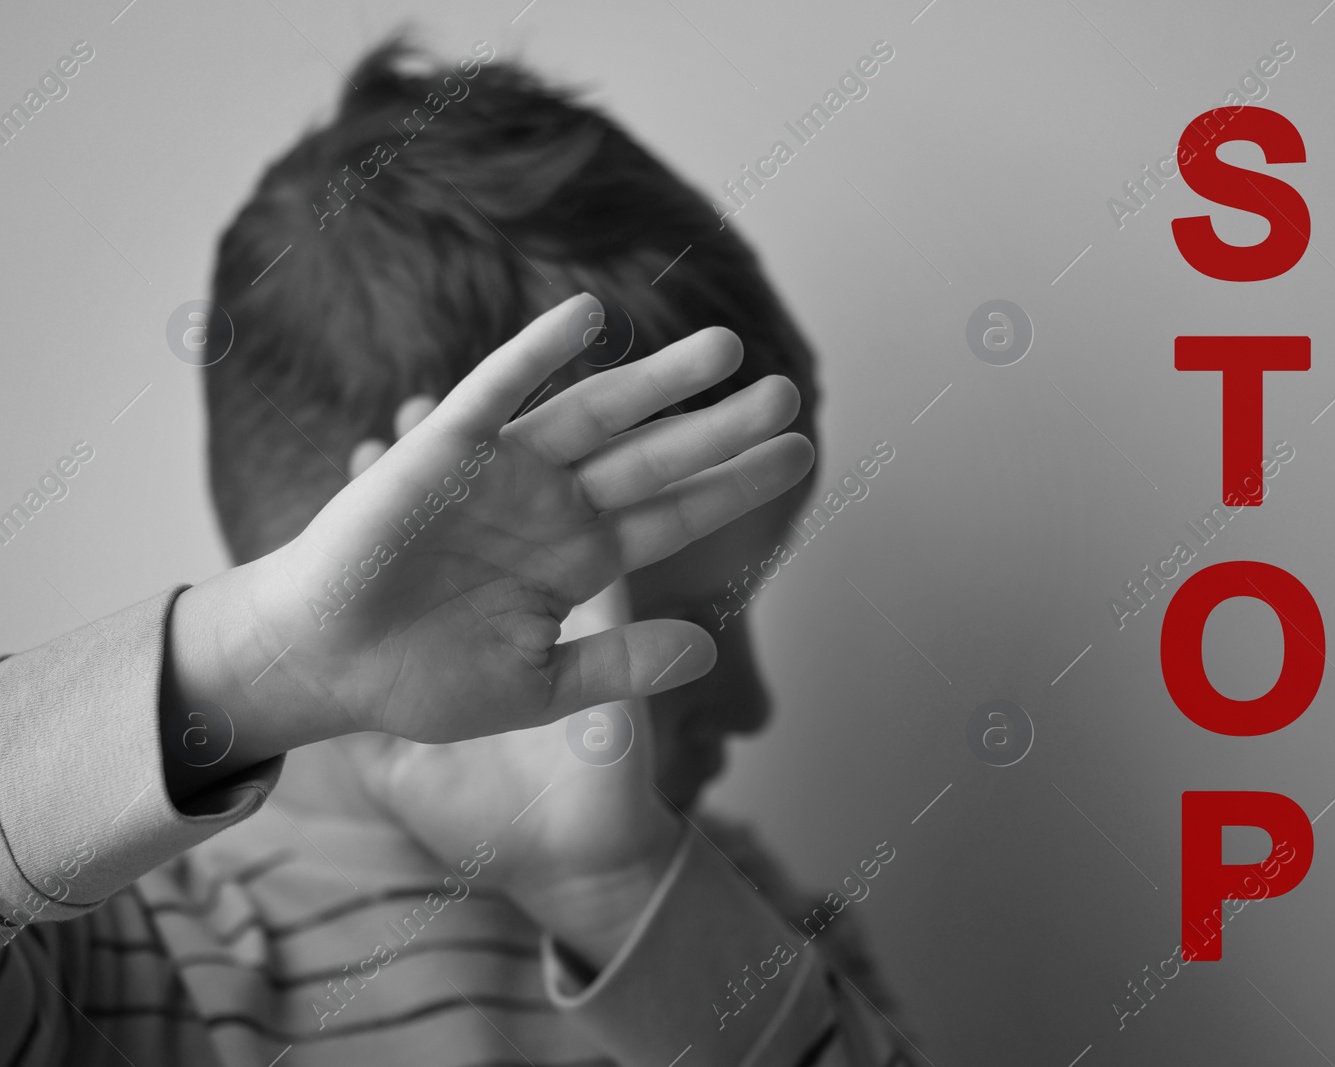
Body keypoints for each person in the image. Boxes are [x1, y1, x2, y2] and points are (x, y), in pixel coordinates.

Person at [0, 41, 916, 1067]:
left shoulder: (739, 925)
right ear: (400, 564)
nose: (753, 705)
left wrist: (615, 891)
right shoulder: (115, 959)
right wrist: (265, 662)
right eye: (689, 623)